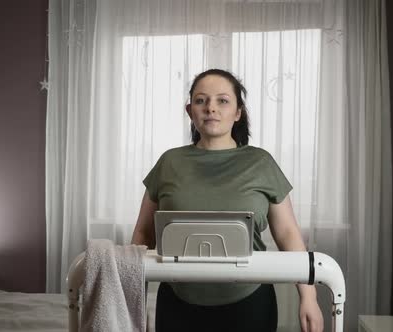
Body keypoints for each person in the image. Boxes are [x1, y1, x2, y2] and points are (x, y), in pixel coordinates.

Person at [131, 69, 324, 332]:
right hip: (178, 304)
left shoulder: (261, 162)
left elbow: (288, 233)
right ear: (190, 111)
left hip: (249, 304)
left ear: (237, 112)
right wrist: (133, 296)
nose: (211, 108)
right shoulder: (169, 162)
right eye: (201, 100)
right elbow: (143, 233)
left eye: (222, 100)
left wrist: (308, 297)